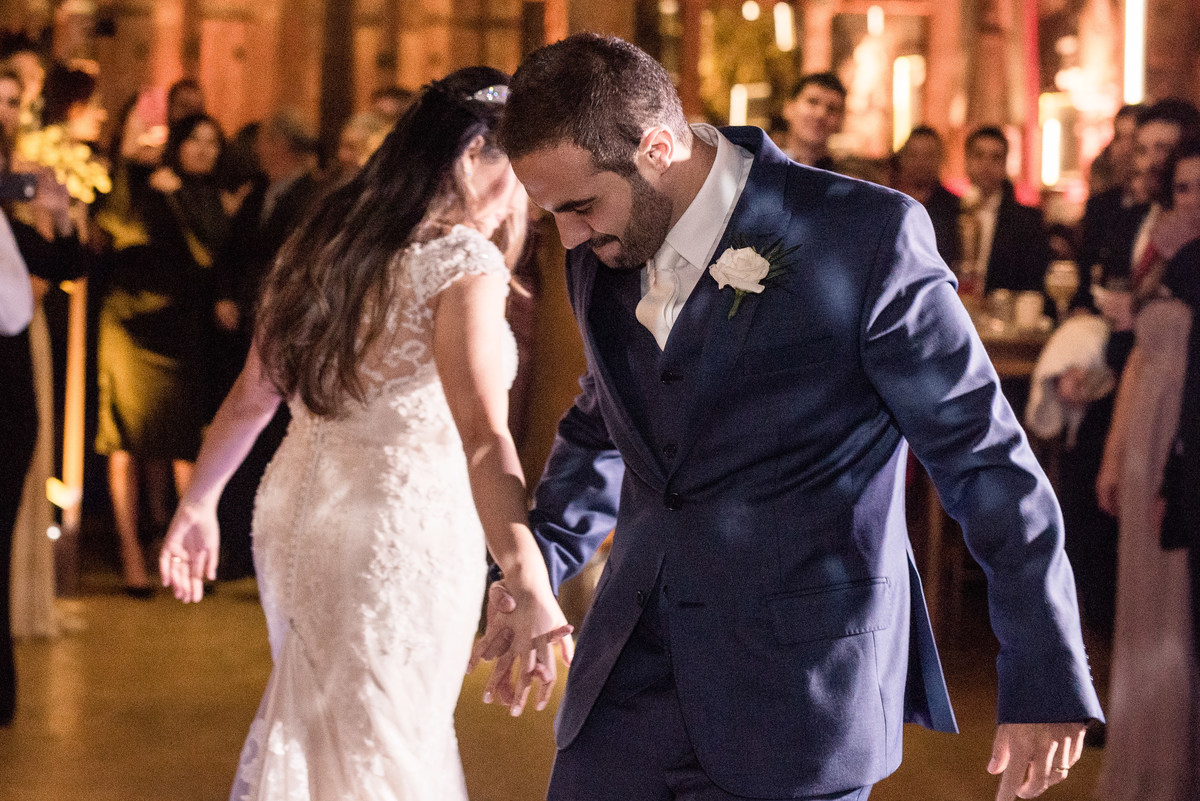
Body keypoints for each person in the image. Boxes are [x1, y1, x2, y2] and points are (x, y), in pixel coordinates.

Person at [473, 33, 1102, 801]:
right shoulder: (599, 246)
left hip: (794, 698)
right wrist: (536, 564)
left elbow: (986, 459)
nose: (568, 237)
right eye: (551, 215)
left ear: (658, 149)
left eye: (578, 207)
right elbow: (606, 419)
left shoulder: (864, 237)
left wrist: (1045, 664)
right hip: (624, 691)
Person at [158, 66, 572, 800]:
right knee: (389, 743)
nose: (529, 194)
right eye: (519, 167)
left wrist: (198, 502)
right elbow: (483, 435)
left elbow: (253, 395)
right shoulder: (462, 261)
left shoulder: (323, 243)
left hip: (293, 518)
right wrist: (528, 576)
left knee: (330, 733)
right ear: (471, 155)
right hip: (395, 531)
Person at [1093, 137, 1200, 800]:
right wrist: (1112, 454)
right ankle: (1142, 768)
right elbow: (1134, 356)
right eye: (1185, 187)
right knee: (1142, 607)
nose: (1194, 200)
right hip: (1144, 437)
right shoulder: (1165, 255)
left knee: (1178, 611)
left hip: (1185, 444)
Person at [95, 113, 233, 595]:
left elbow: (211, 251)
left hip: (180, 325)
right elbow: (114, 226)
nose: (202, 149)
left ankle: (185, 547)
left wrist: (176, 194)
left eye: (212, 142)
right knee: (125, 438)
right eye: (194, 139)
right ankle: (131, 552)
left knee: (183, 440)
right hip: (131, 321)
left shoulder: (202, 192)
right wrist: (135, 171)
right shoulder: (134, 181)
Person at [891, 125, 960, 268]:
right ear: (902, 158)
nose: (920, 163)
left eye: (928, 155)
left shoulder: (955, 208)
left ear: (940, 159)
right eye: (914, 155)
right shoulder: (889, 203)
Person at [779, 71, 845, 170]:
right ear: (789, 108)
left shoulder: (843, 178)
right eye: (812, 102)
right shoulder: (757, 164)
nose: (821, 114)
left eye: (832, 108)